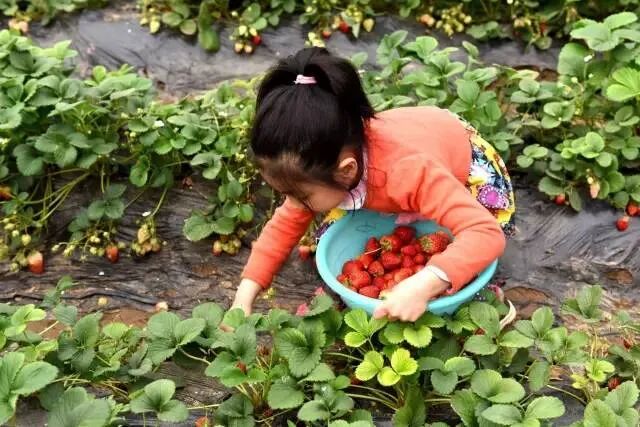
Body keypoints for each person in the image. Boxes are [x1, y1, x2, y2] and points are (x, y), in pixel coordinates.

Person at [230, 47, 515, 322]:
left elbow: (485, 233)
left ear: (347, 171)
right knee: (327, 234)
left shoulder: (408, 172)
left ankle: (479, 299)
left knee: (477, 252)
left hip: (458, 157)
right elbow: (285, 224)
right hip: (407, 154)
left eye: (300, 196)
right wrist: (244, 296)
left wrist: (426, 283)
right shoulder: (323, 161)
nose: (293, 203)